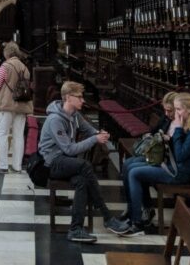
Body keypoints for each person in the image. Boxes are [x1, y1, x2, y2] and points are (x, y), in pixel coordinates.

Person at [39, 80, 128, 242]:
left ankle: (75, 229)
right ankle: (107, 216)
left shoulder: (74, 115)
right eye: (79, 97)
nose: (83, 100)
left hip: (65, 160)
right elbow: (69, 149)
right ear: (67, 98)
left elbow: (89, 130)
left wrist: (99, 133)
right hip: (51, 163)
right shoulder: (55, 120)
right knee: (85, 166)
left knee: (82, 181)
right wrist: (95, 139)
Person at [119, 92, 190, 236]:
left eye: (179, 109)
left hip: (179, 173)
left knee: (134, 173)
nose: (176, 113)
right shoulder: (189, 125)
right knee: (132, 167)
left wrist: (178, 130)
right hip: (171, 166)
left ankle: (136, 223)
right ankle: (135, 215)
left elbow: (180, 156)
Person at [117, 91, 178, 215]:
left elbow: (179, 151)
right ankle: (134, 207)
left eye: (170, 111)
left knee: (134, 171)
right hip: (159, 157)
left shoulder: (182, 126)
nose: (167, 114)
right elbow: (154, 131)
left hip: (168, 163)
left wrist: (168, 139)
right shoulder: (167, 119)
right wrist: (153, 135)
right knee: (128, 164)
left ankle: (139, 213)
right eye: (165, 110)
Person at [0, 41, 34, 173]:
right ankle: (17, 166)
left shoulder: (6, 66)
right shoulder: (24, 67)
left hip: (6, 105)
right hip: (21, 105)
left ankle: (3, 165)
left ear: (7, 53)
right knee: (19, 135)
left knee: (3, 134)